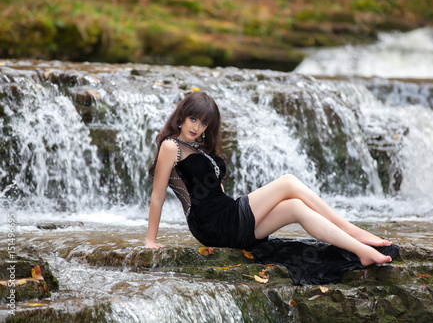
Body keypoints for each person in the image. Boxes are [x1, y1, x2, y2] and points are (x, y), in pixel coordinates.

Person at [145, 91, 393, 267]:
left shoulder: (200, 149)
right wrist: (150, 241)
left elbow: (216, 191)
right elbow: (157, 197)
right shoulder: (171, 146)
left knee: (295, 207)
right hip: (212, 224)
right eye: (193, 119)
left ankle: (360, 250)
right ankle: (354, 231)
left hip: (228, 219)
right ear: (182, 117)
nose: (197, 127)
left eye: (204, 123)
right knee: (287, 182)